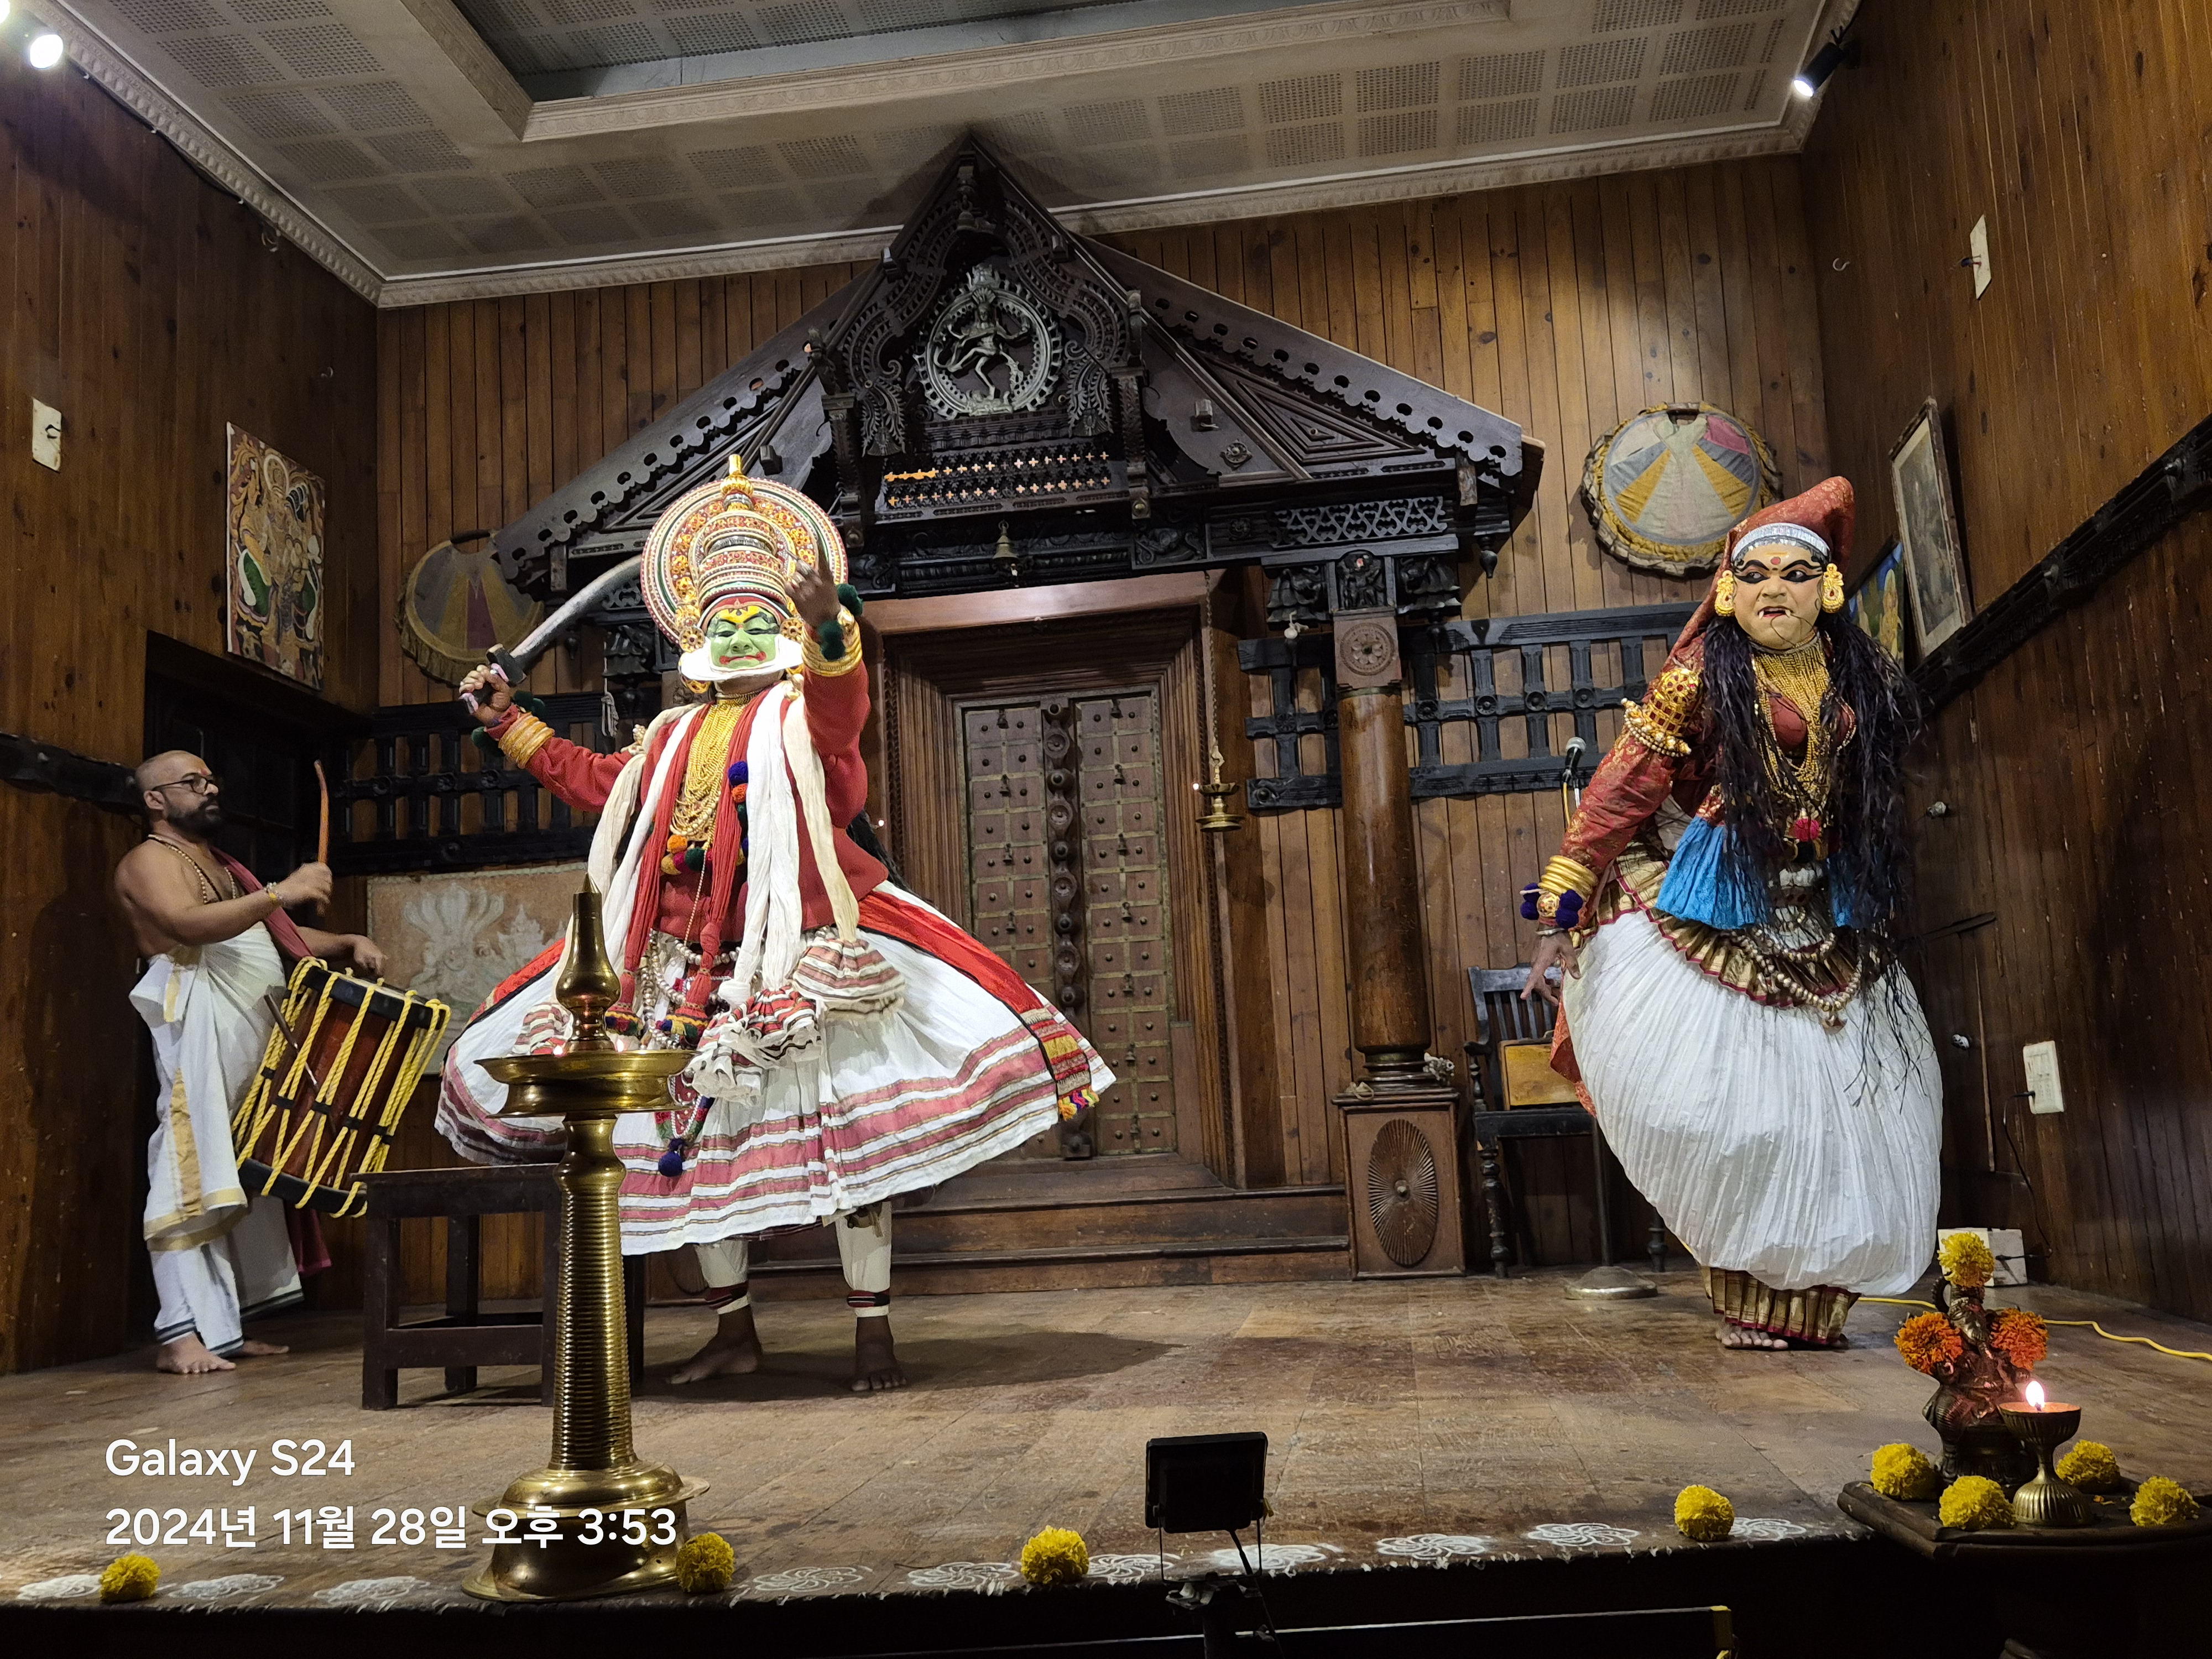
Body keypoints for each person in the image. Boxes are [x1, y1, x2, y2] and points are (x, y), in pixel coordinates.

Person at [438, 458, 1110, 1392]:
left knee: (851, 1146)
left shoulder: (804, 720)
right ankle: (734, 1331)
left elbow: (843, 711)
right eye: (724, 623)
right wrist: (510, 722)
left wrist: (834, 628)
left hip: (803, 954)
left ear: (788, 634)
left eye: (762, 621)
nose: (742, 635)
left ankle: (872, 1332)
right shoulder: (668, 737)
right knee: (691, 1145)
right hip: (676, 965)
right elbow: (596, 784)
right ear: (698, 638)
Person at [1522, 478, 1939, 1350]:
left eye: (1795, 574)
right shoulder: (1696, 678)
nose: (1773, 590)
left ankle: (1820, 1302)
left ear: (1828, 587)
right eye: (1754, 575)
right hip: (1722, 911)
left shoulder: (1857, 676)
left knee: (1852, 1121)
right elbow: (1620, 791)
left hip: (1826, 914)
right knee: (1736, 1117)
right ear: (1725, 590)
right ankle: (1745, 1296)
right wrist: (1558, 909)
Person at [113, 752, 384, 1374]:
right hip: (197, 1021)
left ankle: (221, 1327)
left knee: (235, 1166)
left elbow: (267, 933)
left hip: (248, 1029)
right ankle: (178, 1333)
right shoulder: (149, 859)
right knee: (188, 1163)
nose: (210, 789)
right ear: (155, 799)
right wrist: (281, 891)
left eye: (212, 779)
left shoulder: (218, 863)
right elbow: (188, 924)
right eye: (192, 782)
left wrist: (344, 942)